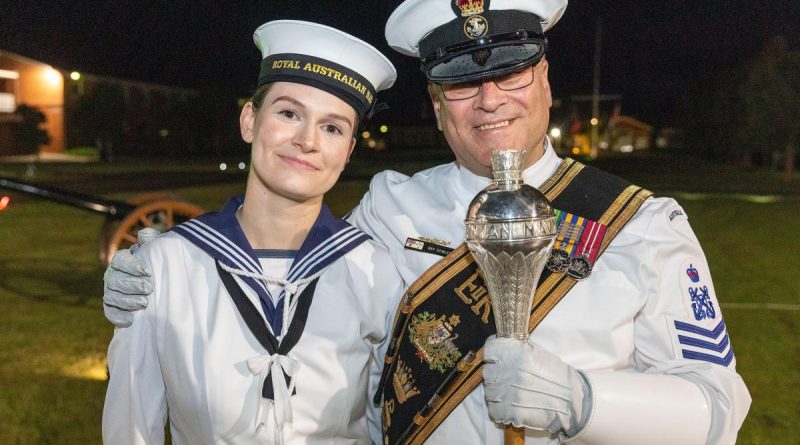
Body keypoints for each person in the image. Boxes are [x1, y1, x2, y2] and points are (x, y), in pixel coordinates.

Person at [104, 1, 752, 444]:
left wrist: (583, 400)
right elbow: (296, 284)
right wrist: (166, 273)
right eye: (464, 84)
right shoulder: (392, 207)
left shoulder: (639, 225)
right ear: (439, 106)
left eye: (511, 70)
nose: (491, 98)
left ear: (546, 78)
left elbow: (720, 408)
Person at [102, 20, 403, 445]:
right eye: (288, 113)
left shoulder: (376, 272)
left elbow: (391, 421)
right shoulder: (165, 268)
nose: (307, 140)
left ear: (349, 150)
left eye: (332, 127)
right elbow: (131, 427)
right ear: (249, 120)